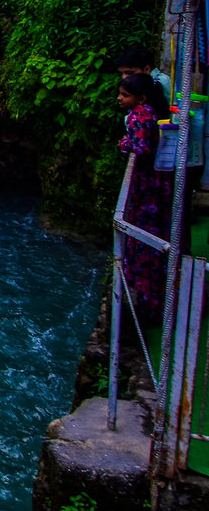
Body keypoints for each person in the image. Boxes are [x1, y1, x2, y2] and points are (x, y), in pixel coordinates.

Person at [117, 71, 171, 323]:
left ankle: (149, 303)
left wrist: (125, 144)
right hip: (155, 184)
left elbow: (143, 147)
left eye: (124, 95)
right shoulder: (150, 113)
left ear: (141, 98)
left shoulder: (139, 116)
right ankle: (154, 299)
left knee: (144, 239)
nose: (119, 98)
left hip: (146, 187)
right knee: (151, 238)